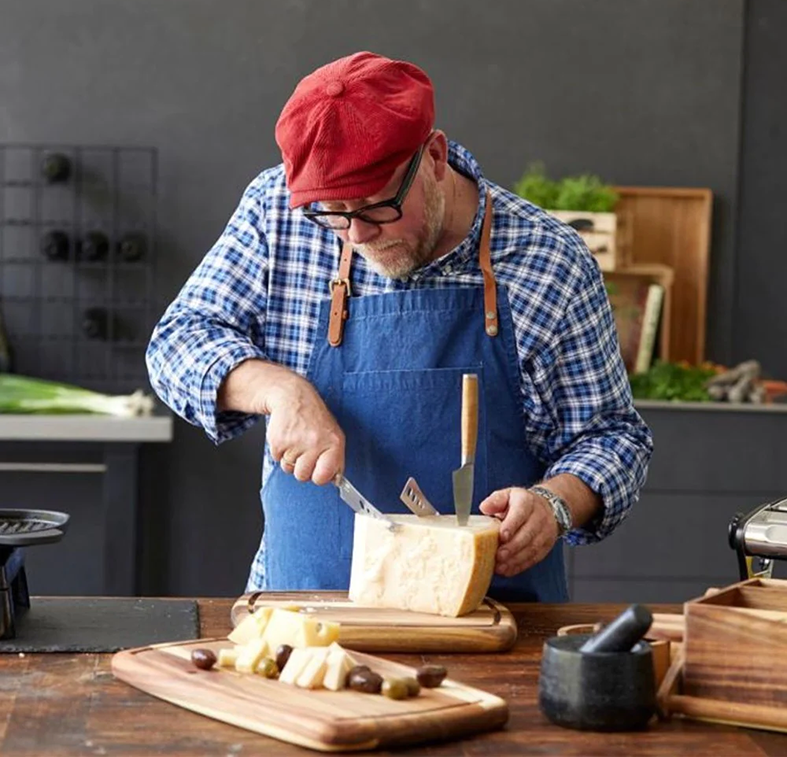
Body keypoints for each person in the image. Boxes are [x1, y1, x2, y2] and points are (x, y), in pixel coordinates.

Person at [146, 51, 653, 602]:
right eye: (332, 215)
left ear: (434, 156)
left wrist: (555, 504)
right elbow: (178, 341)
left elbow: (612, 439)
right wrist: (279, 390)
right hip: (304, 616)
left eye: (376, 207)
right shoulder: (276, 213)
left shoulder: (546, 260)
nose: (356, 236)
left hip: (496, 626)